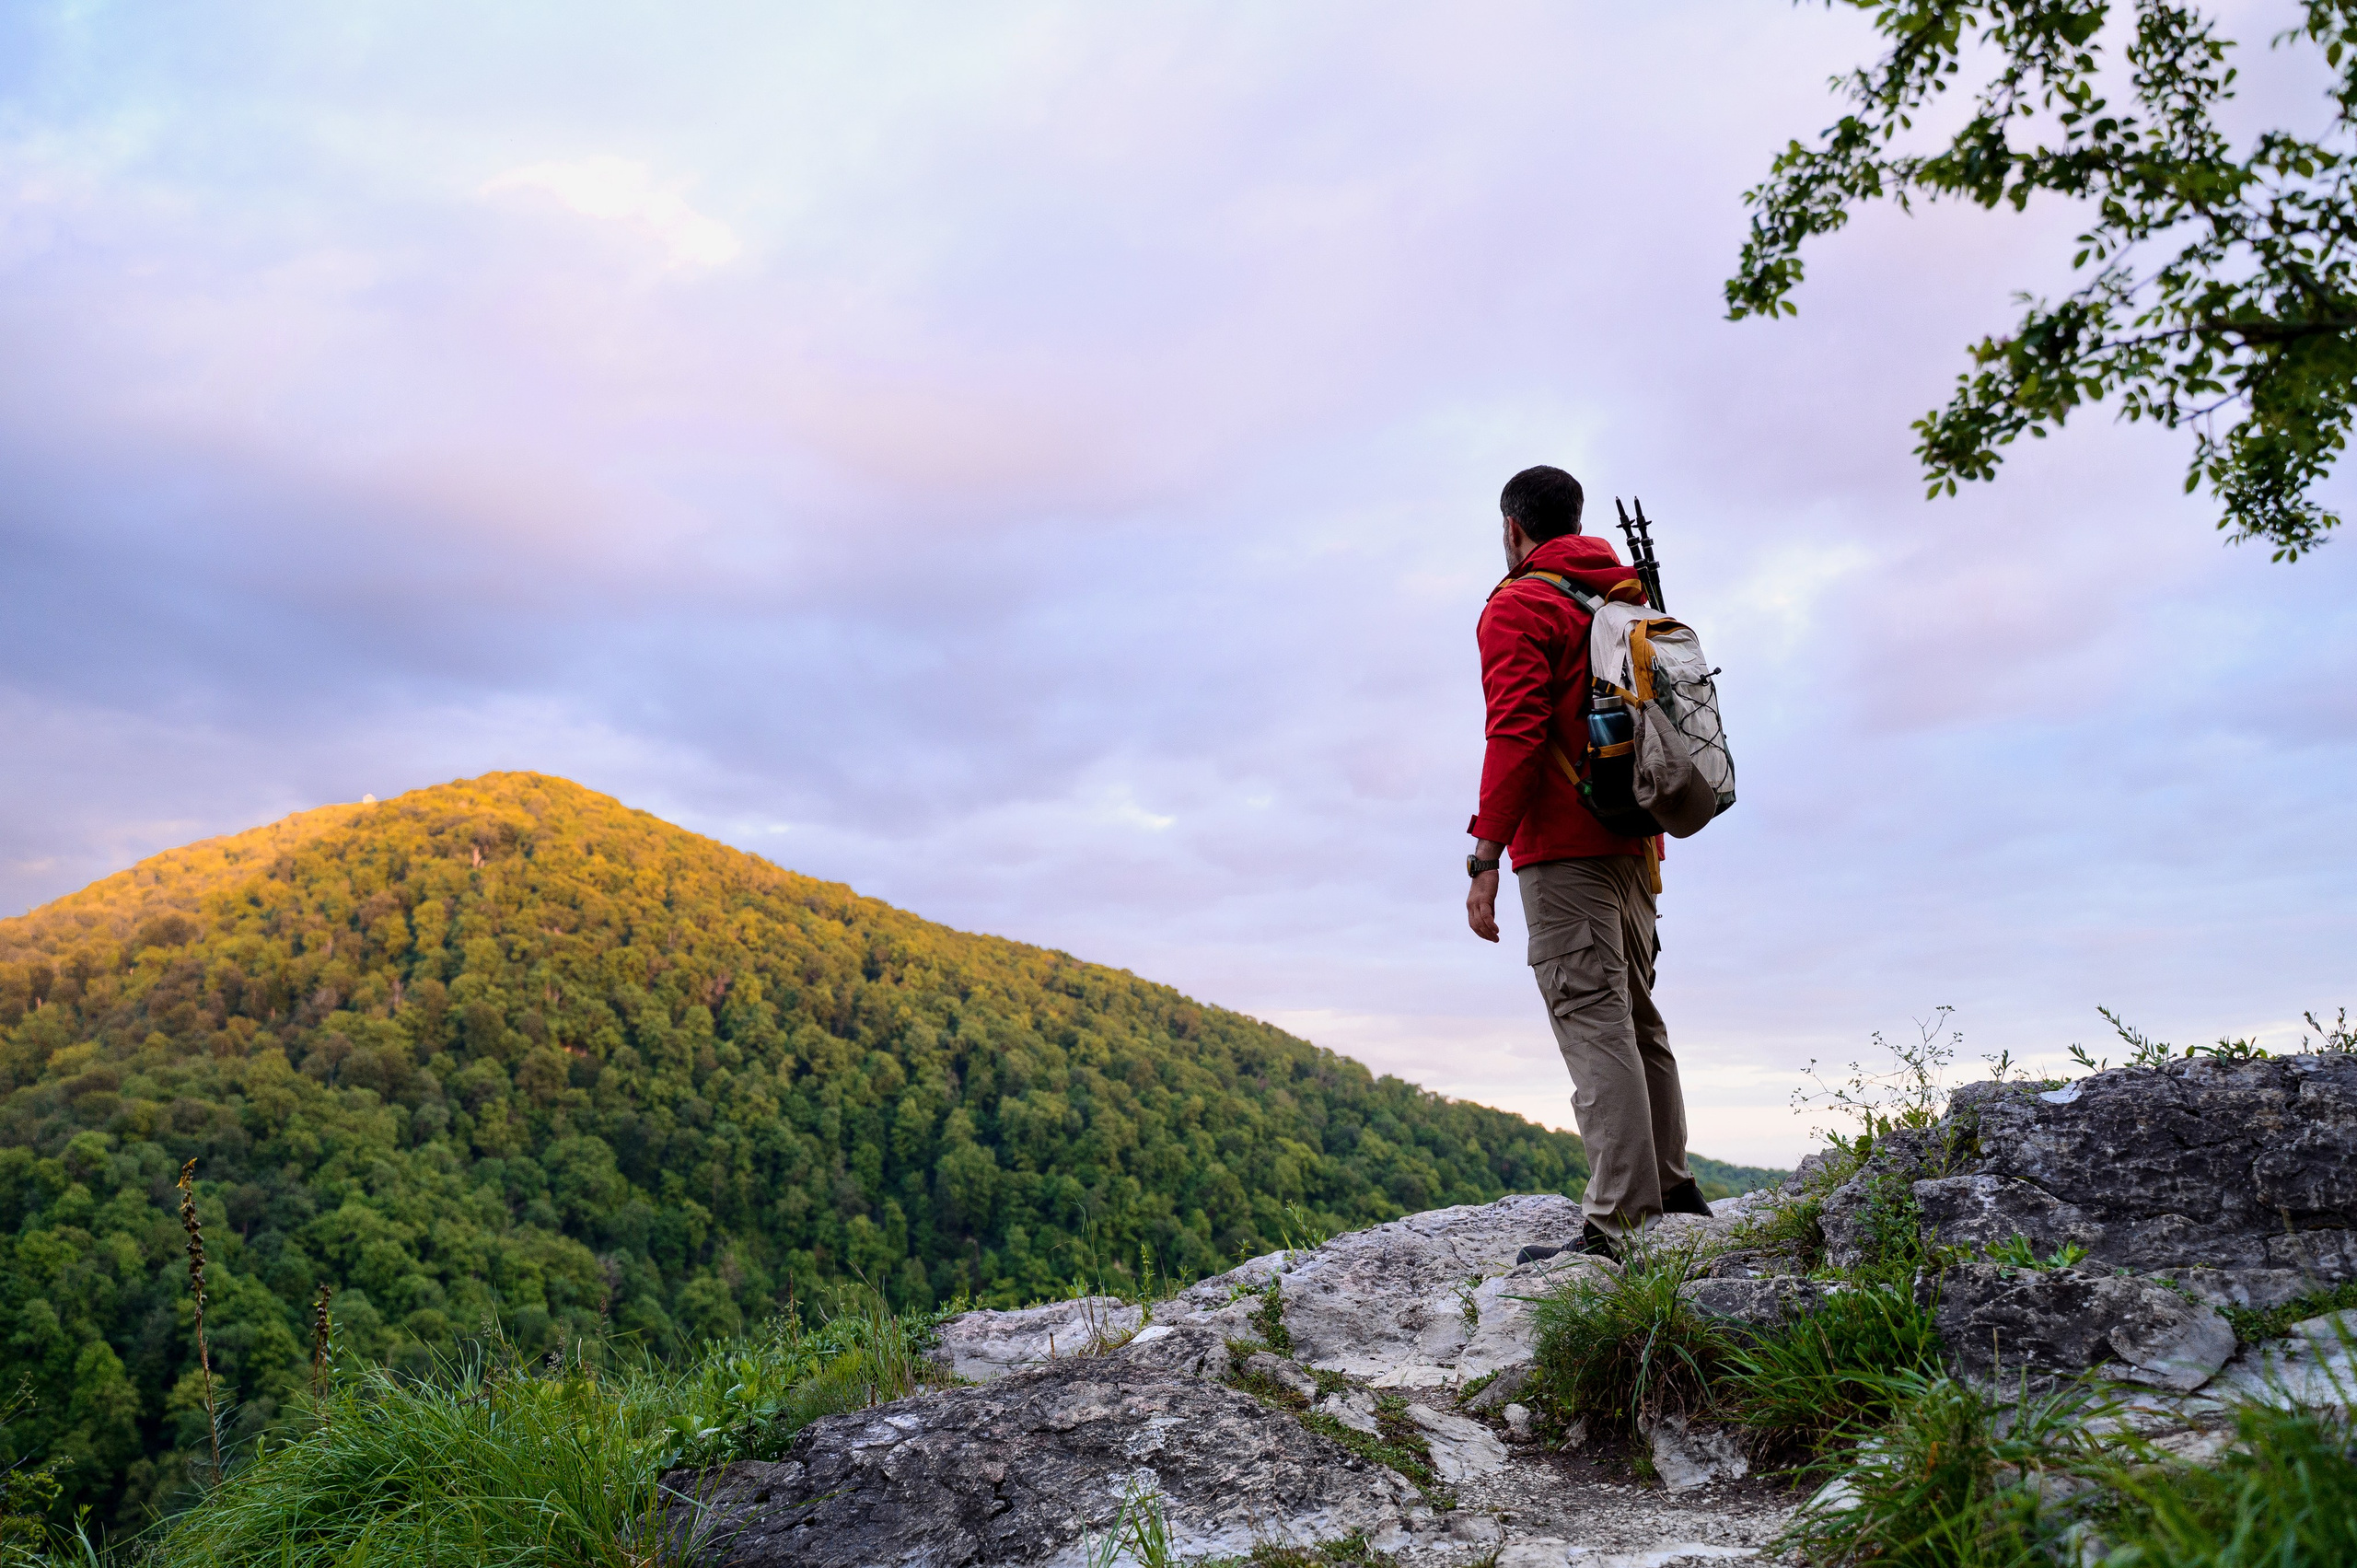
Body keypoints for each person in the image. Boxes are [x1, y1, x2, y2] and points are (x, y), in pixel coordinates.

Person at [1464, 464, 1709, 1259]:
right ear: (1574, 521)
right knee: (1637, 1013)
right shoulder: (1624, 595)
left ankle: (1619, 1224)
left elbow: (1516, 731)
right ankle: (1671, 1185)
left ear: (1513, 529)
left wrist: (1485, 853)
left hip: (1566, 848)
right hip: (1637, 841)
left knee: (1592, 1019)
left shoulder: (1520, 603)